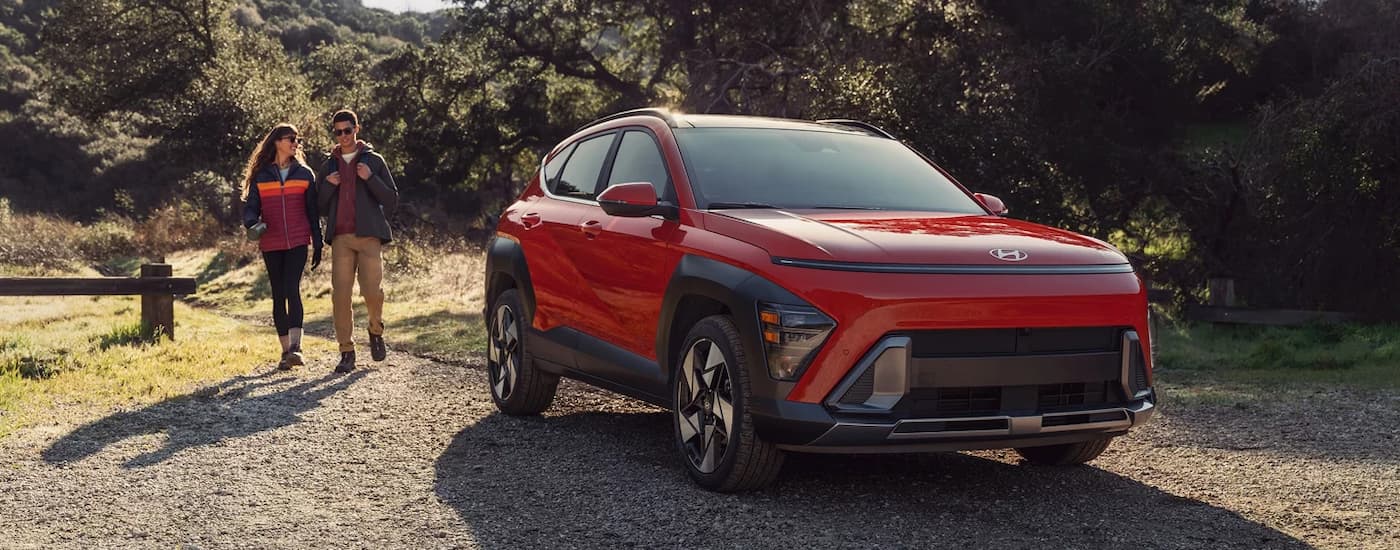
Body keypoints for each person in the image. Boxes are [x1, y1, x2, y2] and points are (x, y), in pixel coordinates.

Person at [317, 109, 399, 373]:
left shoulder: (374, 161)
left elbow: (392, 200)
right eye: (338, 132)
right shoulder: (328, 165)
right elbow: (318, 205)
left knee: (372, 292)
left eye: (347, 130)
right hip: (341, 237)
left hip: (369, 236)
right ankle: (346, 352)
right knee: (341, 296)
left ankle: (376, 330)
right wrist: (328, 185)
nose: (343, 136)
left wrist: (370, 178)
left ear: (356, 129)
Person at [241, 123, 323, 370]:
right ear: (277, 141)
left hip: (298, 239)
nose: (295, 143)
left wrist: (318, 242)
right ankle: (285, 351)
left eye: (297, 139)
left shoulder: (305, 174)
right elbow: (251, 207)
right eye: (291, 138)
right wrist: (252, 223)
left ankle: (297, 349)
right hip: (271, 240)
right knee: (278, 293)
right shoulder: (262, 175)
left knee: (291, 288)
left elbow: (312, 211)